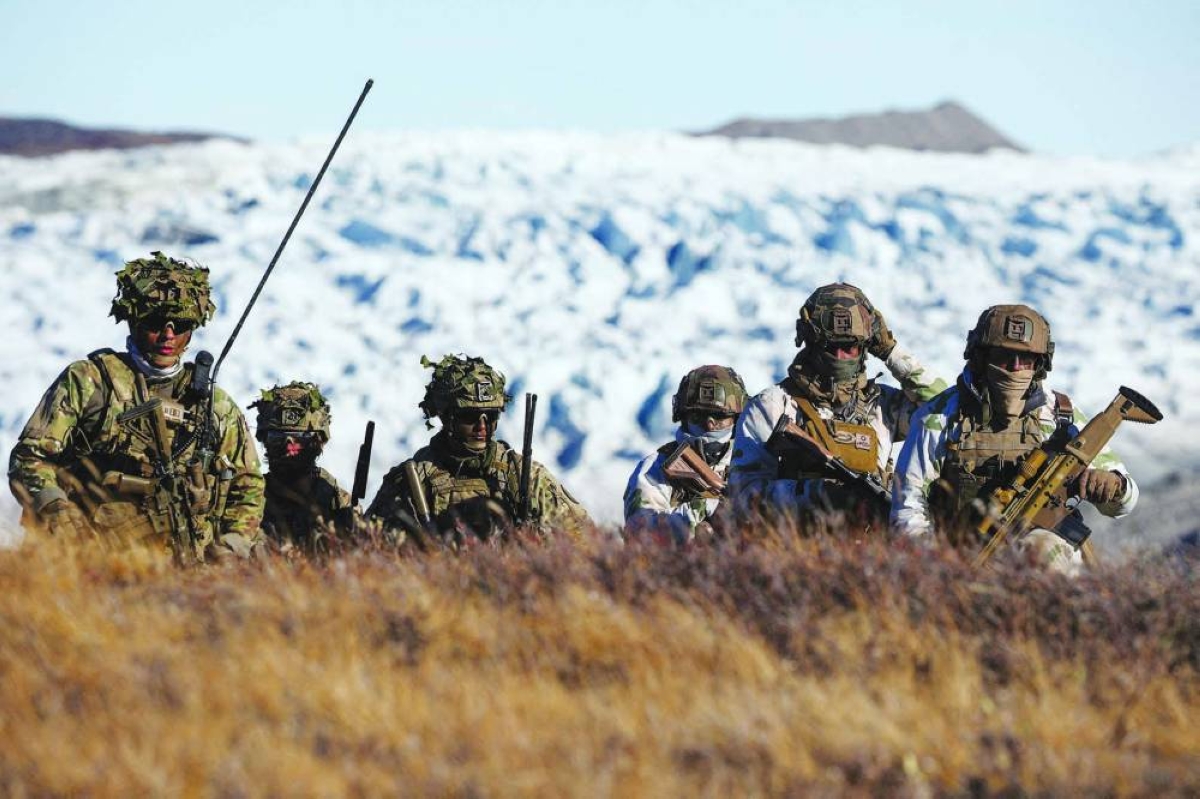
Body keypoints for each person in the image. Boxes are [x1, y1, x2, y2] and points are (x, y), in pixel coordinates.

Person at [8, 251, 264, 562]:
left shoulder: (214, 405)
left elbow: (247, 484)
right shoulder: (91, 381)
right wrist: (57, 510)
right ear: (133, 320)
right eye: (156, 322)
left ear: (192, 328)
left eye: (180, 324)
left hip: (190, 570)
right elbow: (30, 457)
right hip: (88, 562)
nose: (168, 335)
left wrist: (232, 544)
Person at [891, 304, 1138, 574]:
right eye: (1004, 357)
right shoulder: (939, 416)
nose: (1016, 368)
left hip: (1047, 561)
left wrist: (1114, 485)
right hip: (963, 557)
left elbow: (1124, 503)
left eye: (1026, 359)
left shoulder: (1060, 417)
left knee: (1042, 550)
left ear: (1040, 364)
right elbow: (908, 507)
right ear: (981, 358)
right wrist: (934, 567)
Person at [728, 283, 946, 530]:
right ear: (811, 343)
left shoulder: (884, 406)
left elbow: (945, 410)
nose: (841, 356)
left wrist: (890, 351)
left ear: (866, 347)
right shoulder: (774, 405)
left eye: (850, 347)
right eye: (831, 347)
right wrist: (814, 494)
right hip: (794, 553)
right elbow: (742, 496)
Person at [368, 355, 591, 545]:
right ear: (447, 417)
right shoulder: (412, 480)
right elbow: (371, 547)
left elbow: (585, 538)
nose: (482, 426)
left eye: (491, 416)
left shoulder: (523, 475)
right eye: (470, 417)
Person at [623, 365, 748, 543]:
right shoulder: (655, 468)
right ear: (683, 416)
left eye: (720, 417)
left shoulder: (752, 461)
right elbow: (639, 533)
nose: (711, 424)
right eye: (699, 416)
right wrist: (702, 509)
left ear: (737, 418)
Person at [251, 381, 359, 555]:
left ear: (319, 442)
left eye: (300, 438)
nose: (289, 449)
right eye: (277, 438)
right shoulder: (248, 498)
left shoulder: (336, 501)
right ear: (265, 441)